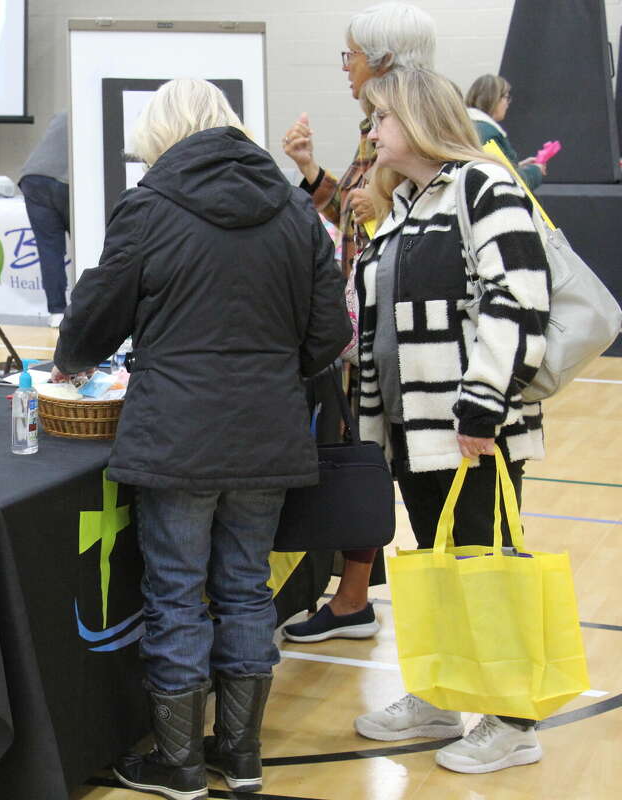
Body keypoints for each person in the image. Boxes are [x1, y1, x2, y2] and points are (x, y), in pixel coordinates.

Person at [53, 79, 350, 799]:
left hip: (177, 436)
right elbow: (330, 335)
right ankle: (240, 756)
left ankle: (180, 764)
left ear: (163, 135)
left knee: (176, 595)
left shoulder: (151, 204)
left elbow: (97, 314)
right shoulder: (291, 206)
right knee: (247, 591)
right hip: (269, 434)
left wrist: (72, 359)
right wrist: (274, 372)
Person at [351, 68, 550, 774]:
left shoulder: (482, 186)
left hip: (470, 428)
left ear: (420, 120)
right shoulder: (402, 203)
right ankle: (438, 692)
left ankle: (514, 718)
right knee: (437, 570)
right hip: (412, 429)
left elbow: (519, 297)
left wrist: (483, 402)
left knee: (486, 569)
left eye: (382, 120)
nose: (372, 133)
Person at [279, 0, 436, 644]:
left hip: (393, 339)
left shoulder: (411, 132)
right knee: (364, 455)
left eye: (352, 54)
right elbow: (354, 213)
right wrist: (314, 173)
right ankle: (351, 594)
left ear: (385, 60)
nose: (345, 67)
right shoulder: (379, 127)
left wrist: (369, 214)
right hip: (363, 328)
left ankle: (356, 599)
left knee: (372, 459)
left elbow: (392, 229)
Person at [18, 112, 71, 328]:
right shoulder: (95, 107)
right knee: (93, 242)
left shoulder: (61, 114)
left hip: (33, 177)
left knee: (49, 250)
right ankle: (89, 311)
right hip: (66, 181)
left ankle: (57, 312)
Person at [466, 74, 545, 190]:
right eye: (506, 97)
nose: (508, 103)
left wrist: (519, 167)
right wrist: (535, 171)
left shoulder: (468, 126)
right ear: (493, 98)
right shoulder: (487, 134)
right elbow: (509, 183)